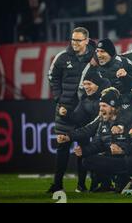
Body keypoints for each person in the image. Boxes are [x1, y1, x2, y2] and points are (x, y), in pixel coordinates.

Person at [58, 87, 132, 193]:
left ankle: (131, 179)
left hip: (130, 158)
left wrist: (123, 151)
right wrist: (83, 150)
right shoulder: (102, 121)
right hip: (114, 159)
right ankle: (108, 183)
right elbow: (97, 143)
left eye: (104, 106)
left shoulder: (128, 120)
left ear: (113, 107)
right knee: (88, 161)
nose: (101, 109)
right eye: (100, 106)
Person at [47, 27, 95, 193]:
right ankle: (57, 184)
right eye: (73, 40)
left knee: (83, 147)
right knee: (62, 147)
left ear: (87, 41)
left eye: (78, 40)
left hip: (84, 110)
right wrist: (59, 100)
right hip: (65, 110)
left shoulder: (94, 56)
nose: (74, 43)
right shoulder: (62, 57)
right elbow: (52, 77)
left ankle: (81, 185)